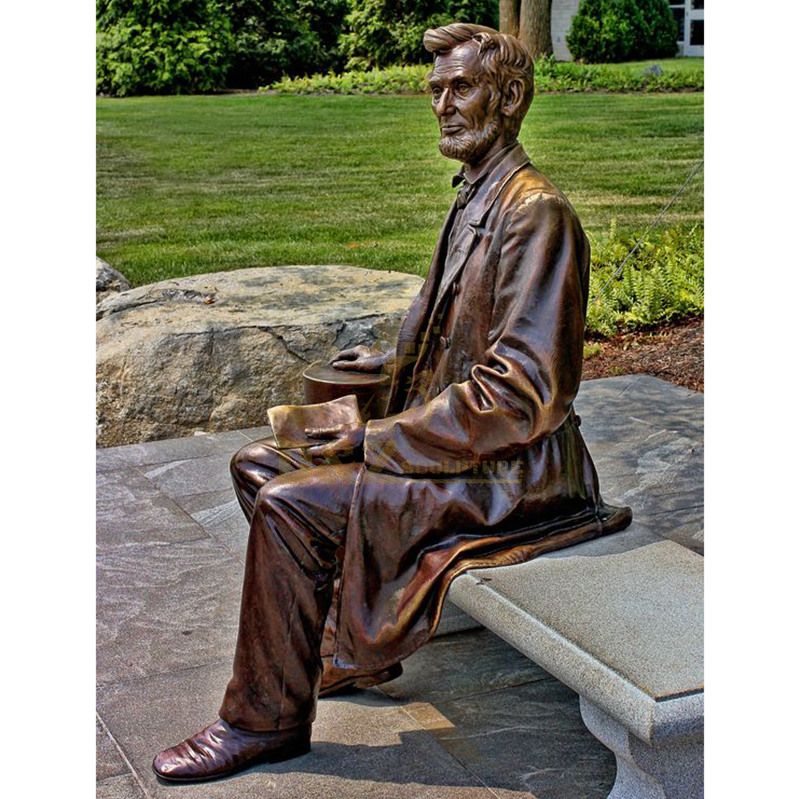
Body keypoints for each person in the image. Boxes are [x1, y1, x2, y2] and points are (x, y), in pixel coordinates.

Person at [152, 22, 631, 783]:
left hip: (515, 475)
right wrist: (385, 363)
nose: (443, 105)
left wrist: (375, 440)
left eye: (461, 87)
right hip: (461, 451)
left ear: (509, 97)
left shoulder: (535, 212)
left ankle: (263, 719)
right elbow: (456, 328)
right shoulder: (479, 193)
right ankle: (345, 649)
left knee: (290, 503)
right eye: (435, 90)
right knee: (259, 462)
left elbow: (521, 394)